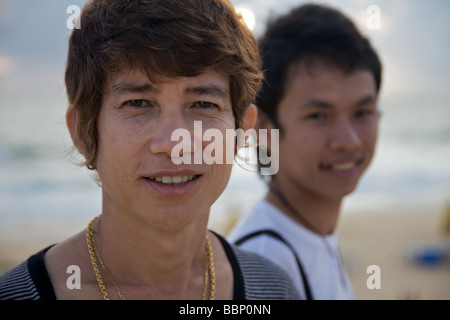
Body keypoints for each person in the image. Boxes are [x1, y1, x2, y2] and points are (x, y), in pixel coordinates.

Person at [0, 0, 301, 300]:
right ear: (83, 131)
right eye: (138, 103)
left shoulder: (273, 290)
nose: (174, 144)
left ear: (241, 131)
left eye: (203, 105)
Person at [228, 3, 382, 300]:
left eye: (363, 112)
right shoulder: (264, 261)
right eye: (318, 116)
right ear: (262, 128)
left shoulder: (313, 234)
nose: (348, 141)